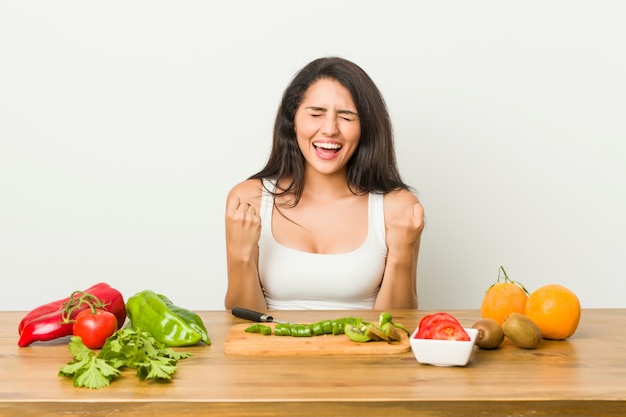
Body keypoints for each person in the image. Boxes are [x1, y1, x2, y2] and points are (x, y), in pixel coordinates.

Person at [224, 57, 424, 311]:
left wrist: (401, 256)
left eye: (346, 117)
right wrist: (240, 254)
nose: (329, 129)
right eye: (316, 114)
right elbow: (242, 320)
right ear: (292, 120)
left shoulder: (398, 208)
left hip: (365, 351)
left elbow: (399, 323)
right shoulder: (248, 200)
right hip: (274, 350)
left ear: (366, 128)